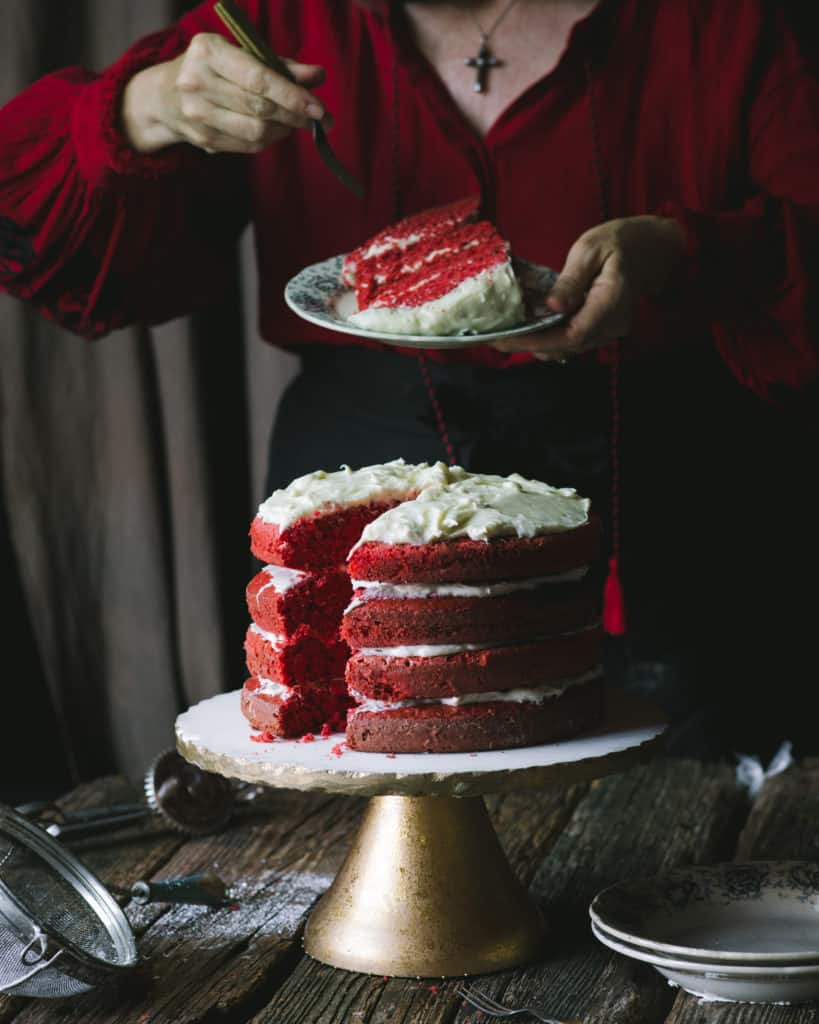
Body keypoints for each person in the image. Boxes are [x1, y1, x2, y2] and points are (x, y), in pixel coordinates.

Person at [0, 0, 817, 760]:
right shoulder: (279, 19)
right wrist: (141, 112)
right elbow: (59, 245)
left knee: (682, 795)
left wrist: (689, 251)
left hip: (670, 489)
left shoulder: (718, 26)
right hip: (359, 470)